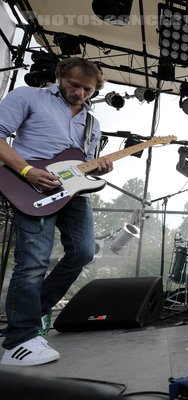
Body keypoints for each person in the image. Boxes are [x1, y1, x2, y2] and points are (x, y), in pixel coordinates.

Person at [0, 57, 112, 366]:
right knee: (33, 261)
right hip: (32, 185)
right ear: (60, 75)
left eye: (87, 89)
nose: (80, 93)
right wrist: (26, 171)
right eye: (74, 85)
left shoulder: (93, 122)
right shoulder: (28, 97)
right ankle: (18, 341)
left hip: (72, 193)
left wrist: (100, 166)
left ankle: (30, 316)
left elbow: (83, 164)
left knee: (83, 252)